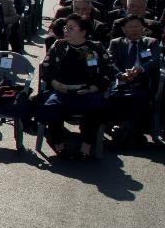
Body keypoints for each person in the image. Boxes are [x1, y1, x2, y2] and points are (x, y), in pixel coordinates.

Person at [35, 14, 116, 159]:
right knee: (50, 106)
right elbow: (46, 66)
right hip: (62, 90)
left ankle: (86, 146)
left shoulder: (95, 48)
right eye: (66, 27)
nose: (66, 31)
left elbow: (108, 70)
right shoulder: (59, 45)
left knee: (95, 109)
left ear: (83, 31)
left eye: (71, 28)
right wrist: (54, 83)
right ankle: (59, 144)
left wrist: (95, 87)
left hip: (87, 91)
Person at [104, 16, 162, 147]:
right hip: (121, 79)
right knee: (113, 99)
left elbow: (154, 61)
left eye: (137, 26)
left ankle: (123, 132)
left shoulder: (151, 42)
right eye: (130, 27)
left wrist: (140, 69)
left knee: (140, 99)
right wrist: (121, 75)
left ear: (143, 28)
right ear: (124, 29)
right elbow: (110, 62)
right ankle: (127, 132)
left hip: (142, 79)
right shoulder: (117, 42)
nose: (134, 30)